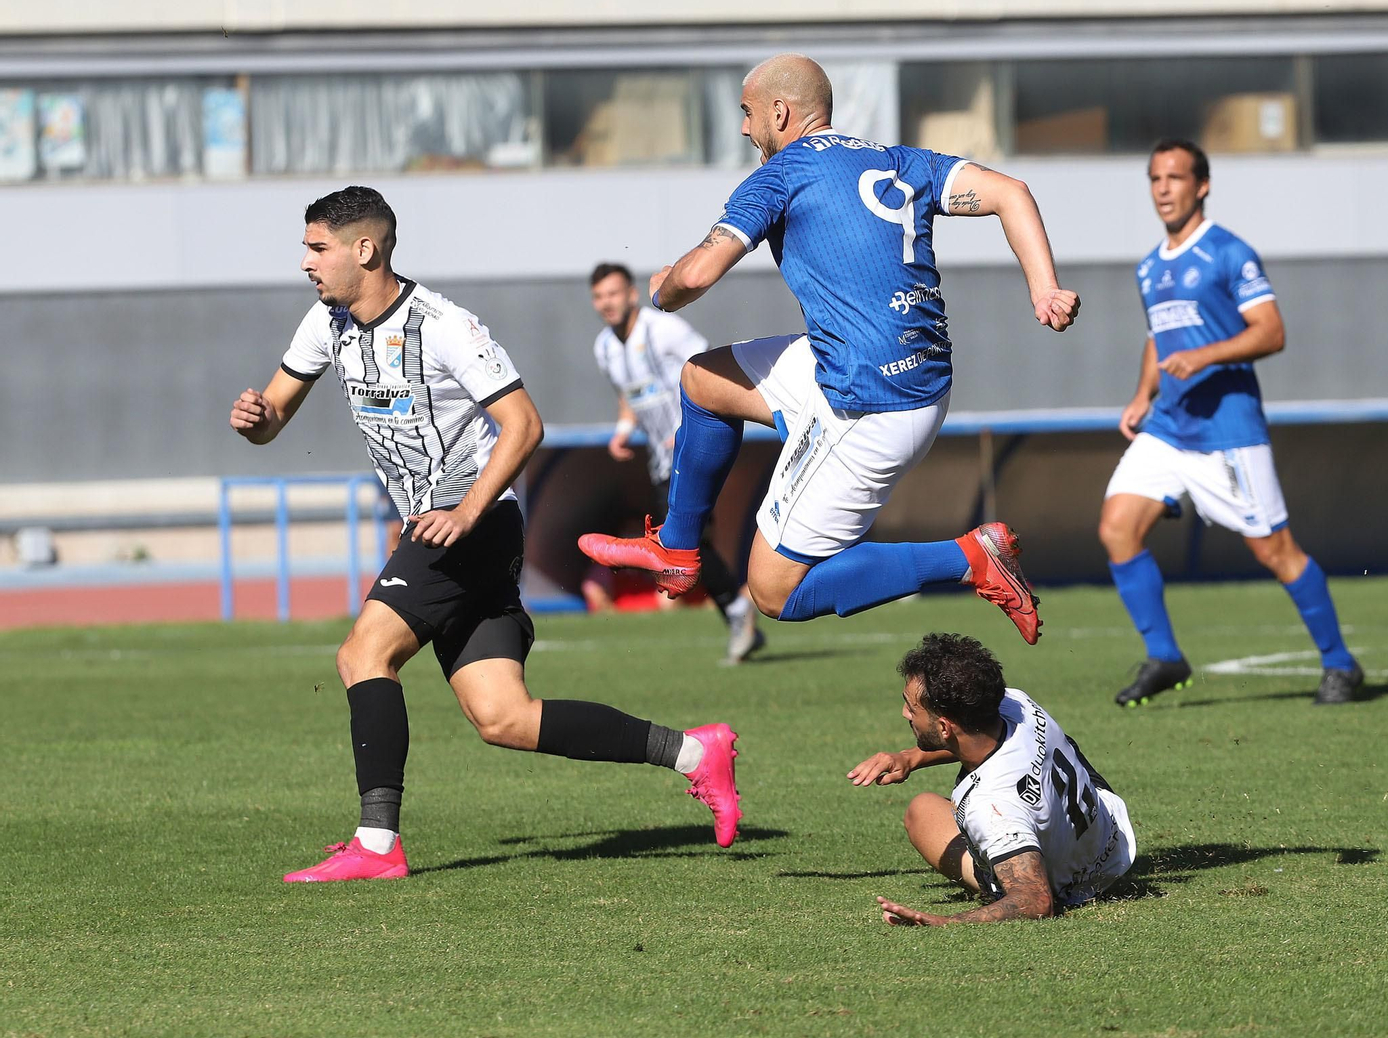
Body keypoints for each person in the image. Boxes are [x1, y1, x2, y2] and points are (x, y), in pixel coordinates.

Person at [229, 186, 741, 882]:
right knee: (504, 717)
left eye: (317, 248)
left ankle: (376, 845)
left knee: (362, 654)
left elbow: (524, 424)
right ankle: (694, 753)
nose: (305, 262)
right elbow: (274, 417)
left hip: (470, 524)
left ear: (364, 249)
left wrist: (466, 512)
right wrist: (257, 418)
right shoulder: (327, 323)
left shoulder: (445, 326)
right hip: (447, 528)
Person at [579, 54, 1081, 645]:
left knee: (774, 592)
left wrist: (664, 289)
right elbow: (1010, 192)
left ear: (779, 112)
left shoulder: (780, 174)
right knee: (701, 380)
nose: (743, 128)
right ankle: (678, 546)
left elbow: (697, 276)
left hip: (868, 406)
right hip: (890, 372)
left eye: (747, 113)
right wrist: (1044, 288)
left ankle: (969, 556)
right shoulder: (896, 160)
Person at [1101, 139, 1364, 707]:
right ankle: (1165, 656)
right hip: (1169, 426)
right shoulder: (1149, 267)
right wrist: (1142, 395)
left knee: (1276, 551)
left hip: (1227, 428)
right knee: (1117, 527)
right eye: (1155, 178)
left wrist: (1205, 356)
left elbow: (1271, 331)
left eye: (1175, 177)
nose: (1163, 189)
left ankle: (1341, 664)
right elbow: (1158, 337)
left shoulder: (1228, 252)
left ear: (1202, 186)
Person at [848, 633, 1135, 925]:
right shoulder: (1016, 703)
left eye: (911, 707)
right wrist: (910, 758)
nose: (905, 714)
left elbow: (1036, 901)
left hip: (1070, 885)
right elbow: (969, 737)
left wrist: (945, 922)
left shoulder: (990, 806)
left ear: (945, 728)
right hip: (1110, 836)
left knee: (921, 811)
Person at [589, 261, 765, 663]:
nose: (606, 303)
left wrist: (690, 423)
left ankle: (738, 609)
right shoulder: (604, 347)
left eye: (613, 293)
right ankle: (737, 610)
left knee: (683, 541)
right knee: (683, 542)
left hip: (692, 449)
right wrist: (623, 428)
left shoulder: (664, 329)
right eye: (599, 296)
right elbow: (629, 394)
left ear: (631, 294)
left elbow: (708, 367)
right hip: (660, 460)